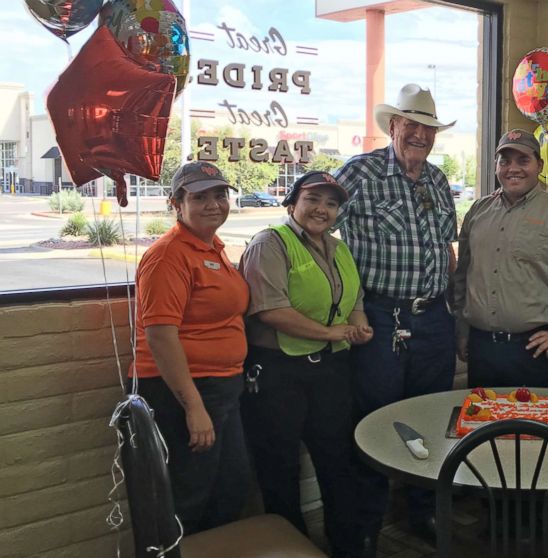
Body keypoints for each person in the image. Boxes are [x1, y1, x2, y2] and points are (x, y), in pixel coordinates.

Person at [333, 83, 458, 551]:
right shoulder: (360, 172)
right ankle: (368, 524)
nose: (420, 136)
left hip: (434, 318)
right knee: (377, 420)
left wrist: (453, 311)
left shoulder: (439, 180)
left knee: (429, 417)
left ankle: (422, 511)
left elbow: (446, 247)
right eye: (412, 126)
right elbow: (313, 222)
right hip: (381, 317)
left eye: (428, 128)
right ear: (392, 127)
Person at [238, 171, 372, 557]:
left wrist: (359, 327)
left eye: (331, 203)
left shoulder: (338, 247)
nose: (322, 209)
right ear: (293, 202)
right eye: (313, 199)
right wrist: (336, 333)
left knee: (337, 462)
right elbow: (271, 310)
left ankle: (348, 548)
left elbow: (355, 299)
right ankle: (292, 550)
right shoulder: (270, 243)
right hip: (279, 371)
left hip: (330, 372)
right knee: (280, 471)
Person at [131, 161, 250, 534]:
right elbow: (160, 336)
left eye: (220, 194)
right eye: (200, 197)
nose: (214, 204)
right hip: (184, 393)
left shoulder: (211, 247)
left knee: (228, 489)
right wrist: (194, 407)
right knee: (188, 497)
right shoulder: (168, 255)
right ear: (176, 204)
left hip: (220, 387)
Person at [452, 129, 548, 389]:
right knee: (483, 425)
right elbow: (463, 275)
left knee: (536, 427)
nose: (513, 169)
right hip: (482, 347)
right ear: (496, 166)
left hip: (535, 351)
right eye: (505, 161)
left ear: (539, 165)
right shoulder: (478, 211)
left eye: (523, 160)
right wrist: (462, 331)